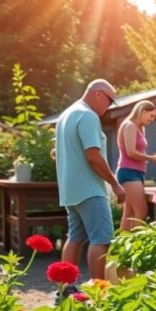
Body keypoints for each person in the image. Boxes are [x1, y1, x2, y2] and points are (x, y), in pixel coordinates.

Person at [55, 79, 124, 284]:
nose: (108, 107)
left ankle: (65, 289)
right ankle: (99, 294)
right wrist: (115, 184)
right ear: (98, 94)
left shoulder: (65, 115)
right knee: (101, 239)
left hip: (70, 190)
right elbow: (93, 156)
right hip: (90, 189)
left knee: (75, 237)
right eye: (109, 101)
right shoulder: (88, 116)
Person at [115, 100, 156, 231]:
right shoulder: (129, 126)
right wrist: (152, 158)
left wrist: (153, 156)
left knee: (129, 214)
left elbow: (139, 154)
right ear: (143, 111)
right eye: (151, 116)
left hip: (137, 172)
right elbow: (131, 152)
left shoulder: (140, 128)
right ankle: (135, 245)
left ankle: (122, 248)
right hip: (128, 172)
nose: (152, 120)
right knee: (142, 212)